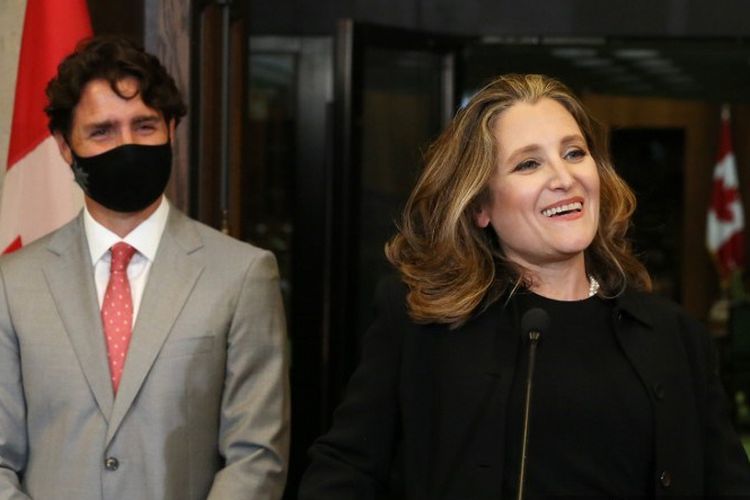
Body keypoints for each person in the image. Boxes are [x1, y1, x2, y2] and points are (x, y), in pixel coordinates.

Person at [298, 73, 750, 499]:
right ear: (480, 207)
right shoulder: (422, 321)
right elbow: (345, 469)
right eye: (529, 163)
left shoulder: (675, 336)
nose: (563, 178)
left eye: (574, 153)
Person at [0, 36, 289, 499]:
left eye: (144, 125)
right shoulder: (12, 284)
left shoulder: (243, 274)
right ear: (64, 146)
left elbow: (256, 456)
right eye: (102, 132)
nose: (127, 145)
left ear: (171, 130)